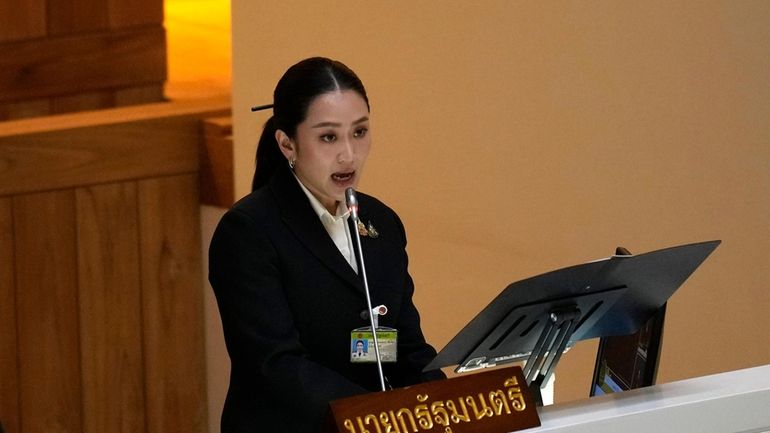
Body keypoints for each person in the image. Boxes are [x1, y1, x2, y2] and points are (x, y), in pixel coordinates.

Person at [209, 57, 445, 433]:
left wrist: (443, 407)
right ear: (287, 143)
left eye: (360, 131)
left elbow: (404, 347)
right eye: (328, 137)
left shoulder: (381, 223)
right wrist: (375, 417)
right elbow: (277, 365)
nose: (348, 154)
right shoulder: (249, 233)